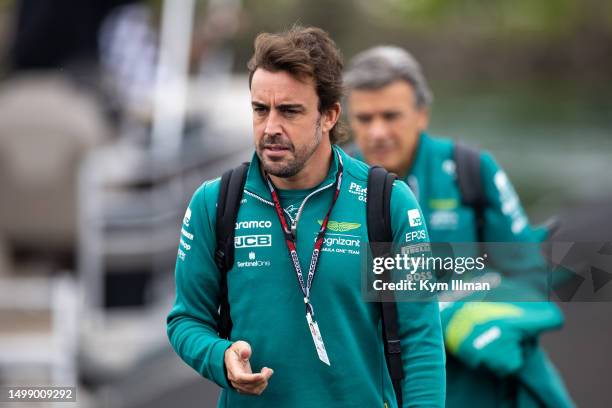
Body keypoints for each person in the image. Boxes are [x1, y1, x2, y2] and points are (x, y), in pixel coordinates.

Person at [166, 27, 445, 407]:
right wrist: (220, 357)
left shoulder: (386, 203)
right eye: (260, 109)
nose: (271, 128)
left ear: (329, 115)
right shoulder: (215, 203)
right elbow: (186, 320)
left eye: (290, 111)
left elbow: (420, 342)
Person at [344, 46, 574, 408]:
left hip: (472, 389)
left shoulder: (471, 170)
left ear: (422, 114)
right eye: (364, 118)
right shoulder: (334, 185)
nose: (377, 132)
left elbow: (529, 275)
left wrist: (459, 310)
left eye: (391, 116)